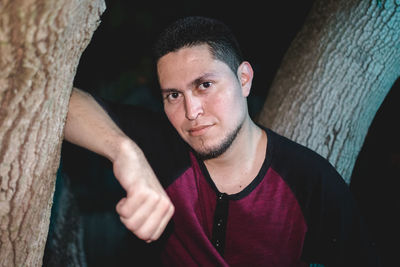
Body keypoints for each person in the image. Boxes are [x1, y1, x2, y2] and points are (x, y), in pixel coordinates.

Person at [63, 16, 380, 266]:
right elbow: (60, 102)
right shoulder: (161, 145)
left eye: (204, 85)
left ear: (244, 79)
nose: (191, 111)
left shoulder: (310, 180)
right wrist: (125, 152)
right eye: (174, 95)